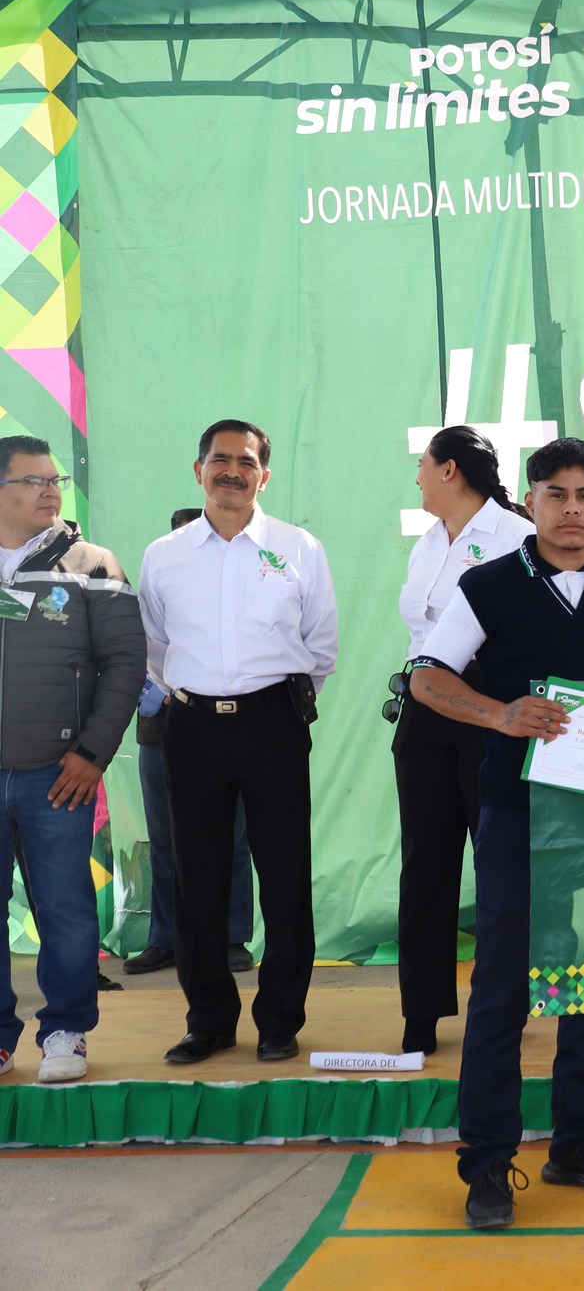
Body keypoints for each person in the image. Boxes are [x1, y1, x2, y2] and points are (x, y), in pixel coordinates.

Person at [408, 436, 584, 1229]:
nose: (571, 509)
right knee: (503, 990)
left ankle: (578, 1142)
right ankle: (487, 1164)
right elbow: (425, 677)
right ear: (529, 502)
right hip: (517, 813)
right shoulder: (487, 585)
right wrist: (499, 713)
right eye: (555, 494)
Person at [140, 420, 339, 1066]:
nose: (232, 471)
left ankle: (280, 1019)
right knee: (196, 877)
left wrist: (268, 702)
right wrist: (197, 696)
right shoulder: (164, 554)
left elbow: (320, 645)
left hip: (272, 724)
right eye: (220, 460)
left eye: (246, 462)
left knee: (285, 876)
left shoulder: (299, 547)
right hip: (192, 727)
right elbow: (154, 647)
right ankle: (209, 1020)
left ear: (264, 476)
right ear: (198, 469)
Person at [0, 435, 145, 1082]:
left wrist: (92, 753)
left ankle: (66, 1031)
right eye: (32, 480)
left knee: (64, 908)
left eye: (53, 479)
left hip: (58, 775)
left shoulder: (92, 564)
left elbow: (126, 664)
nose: (50, 491)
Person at [392, 427, 532, 1055]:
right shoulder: (427, 543)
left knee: (500, 863)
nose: (417, 477)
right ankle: (420, 1015)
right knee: (425, 861)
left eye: (423, 465)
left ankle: (504, 1007)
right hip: (425, 706)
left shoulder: (518, 536)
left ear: (449, 470)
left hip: (490, 708)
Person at [125, 508, 256, 978]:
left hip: (225, 730)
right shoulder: (154, 588)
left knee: (232, 837)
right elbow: (135, 653)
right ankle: (167, 939)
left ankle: (232, 938)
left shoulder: (239, 598)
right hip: (159, 733)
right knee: (165, 840)